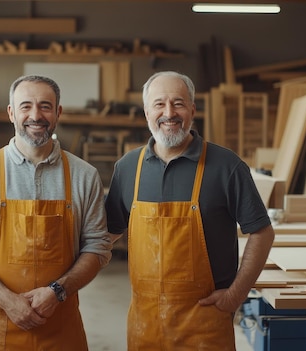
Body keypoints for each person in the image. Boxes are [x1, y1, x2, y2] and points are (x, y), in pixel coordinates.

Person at [105, 71, 275, 350]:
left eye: (178, 103)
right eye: (159, 104)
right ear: (146, 112)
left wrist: (235, 295)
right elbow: (107, 235)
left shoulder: (226, 166)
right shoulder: (127, 168)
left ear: (193, 110)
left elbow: (262, 233)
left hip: (205, 324)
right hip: (144, 326)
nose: (169, 113)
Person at [0, 75, 114, 350]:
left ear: (58, 113)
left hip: (60, 326)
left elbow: (98, 247)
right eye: (25, 106)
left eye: (45, 106)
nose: (35, 115)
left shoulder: (84, 176)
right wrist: (6, 299)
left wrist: (57, 292)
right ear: (11, 113)